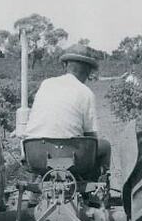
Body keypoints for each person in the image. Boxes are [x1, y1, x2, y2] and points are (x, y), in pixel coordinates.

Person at [20, 43, 111, 175]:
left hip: (35, 154)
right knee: (105, 146)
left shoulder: (46, 84)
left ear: (65, 65)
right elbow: (91, 136)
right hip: (74, 158)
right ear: (88, 71)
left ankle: (34, 188)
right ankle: (95, 189)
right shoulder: (86, 93)